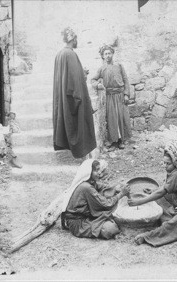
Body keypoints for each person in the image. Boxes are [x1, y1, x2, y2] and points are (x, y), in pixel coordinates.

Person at [52, 27, 97, 159]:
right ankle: (82, 152)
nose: (77, 41)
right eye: (76, 38)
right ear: (72, 39)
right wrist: (79, 99)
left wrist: (82, 74)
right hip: (73, 97)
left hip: (64, 97)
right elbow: (74, 82)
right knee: (81, 126)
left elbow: (67, 77)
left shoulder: (59, 55)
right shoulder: (70, 54)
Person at [61, 159, 130, 239]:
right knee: (110, 229)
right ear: (89, 172)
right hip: (78, 223)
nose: (99, 173)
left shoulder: (90, 182)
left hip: (86, 216)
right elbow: (106, 204)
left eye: (99, 169)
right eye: (96, 170)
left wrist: (115, 189)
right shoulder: (86, 187)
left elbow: (102, 187)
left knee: (107, 194)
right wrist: (121, 194)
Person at [92, 45, 132, 151]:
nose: (108, 56)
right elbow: (93, 80)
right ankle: (114, 141)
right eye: (105, 54)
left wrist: (126, 94)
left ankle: (121, 140)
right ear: (103, 56)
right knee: (112, 119)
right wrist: (98, 85)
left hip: (120, 95)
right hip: (110, 96)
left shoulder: (119, 66)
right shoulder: (101, 69)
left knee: (121, 117)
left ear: (112, 54)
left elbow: (125, 79)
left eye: (109, 53)